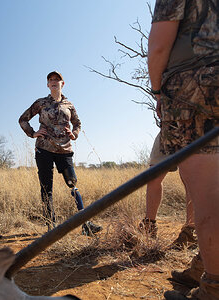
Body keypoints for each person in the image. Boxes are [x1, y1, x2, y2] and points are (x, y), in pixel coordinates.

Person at [148, 1, 219, 299]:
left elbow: (160, 47)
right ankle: (205, 264)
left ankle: (213, 287)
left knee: (207, 197)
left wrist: (157, 91)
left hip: (196, 90)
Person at [19, 71, 102, 235]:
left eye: (57, 79)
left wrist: (74, 134)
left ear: (63, 83)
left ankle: (85, 224)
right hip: (44, 149)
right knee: (46, 187)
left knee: (72, 182)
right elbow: (23, 119)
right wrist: (33, 133)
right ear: (48, 85)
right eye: (51, 80)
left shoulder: (69, 104)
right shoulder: (40, 103)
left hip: (64, 149)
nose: (54, 82)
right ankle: (51, 226)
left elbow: (77, 123)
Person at [140, 133, 197, 249]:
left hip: (191, 127)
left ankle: (190, 232)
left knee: (188, 176)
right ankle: (149, 226)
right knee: (153, 175)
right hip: (167, 128)